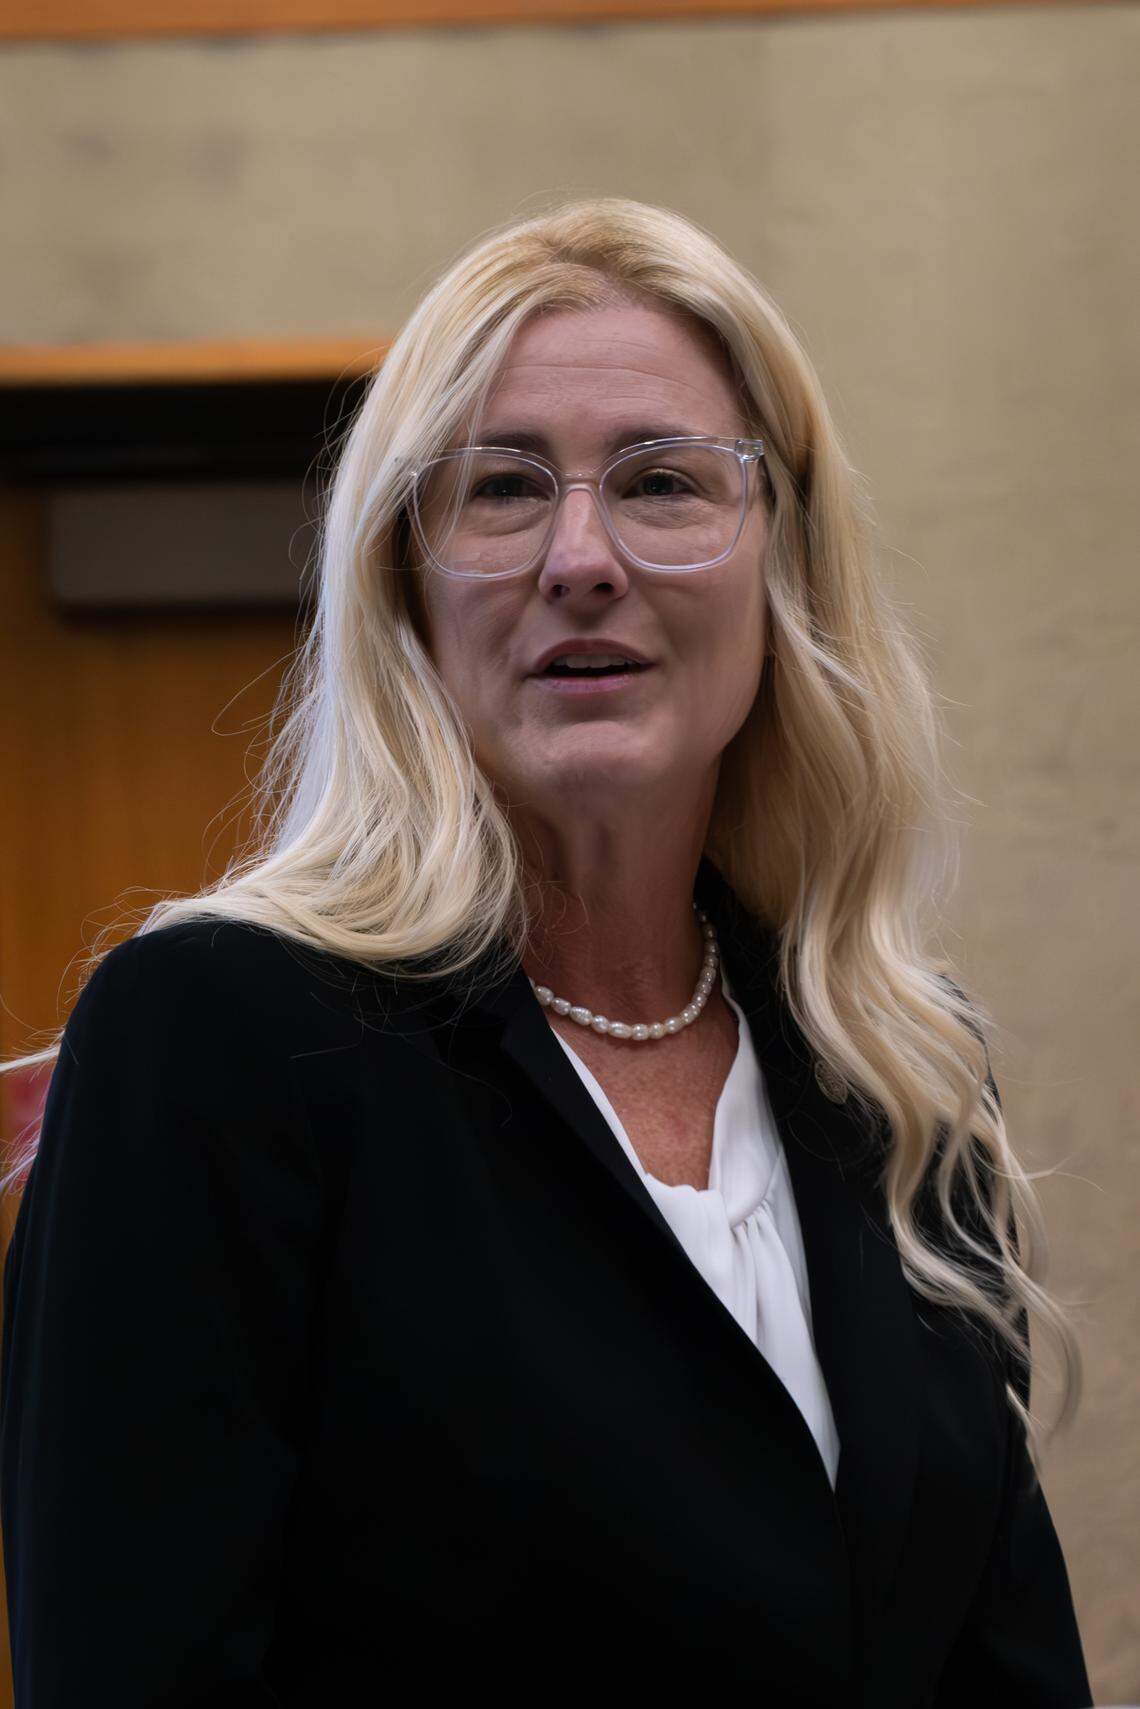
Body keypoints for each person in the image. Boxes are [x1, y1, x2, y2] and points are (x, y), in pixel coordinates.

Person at [0, 198, 1091, 1705]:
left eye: (661, 482)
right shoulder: (219, 1039)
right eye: (502, 488)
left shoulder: (901, 1070)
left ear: (783, 564)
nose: (582, 556)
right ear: (405, 582)